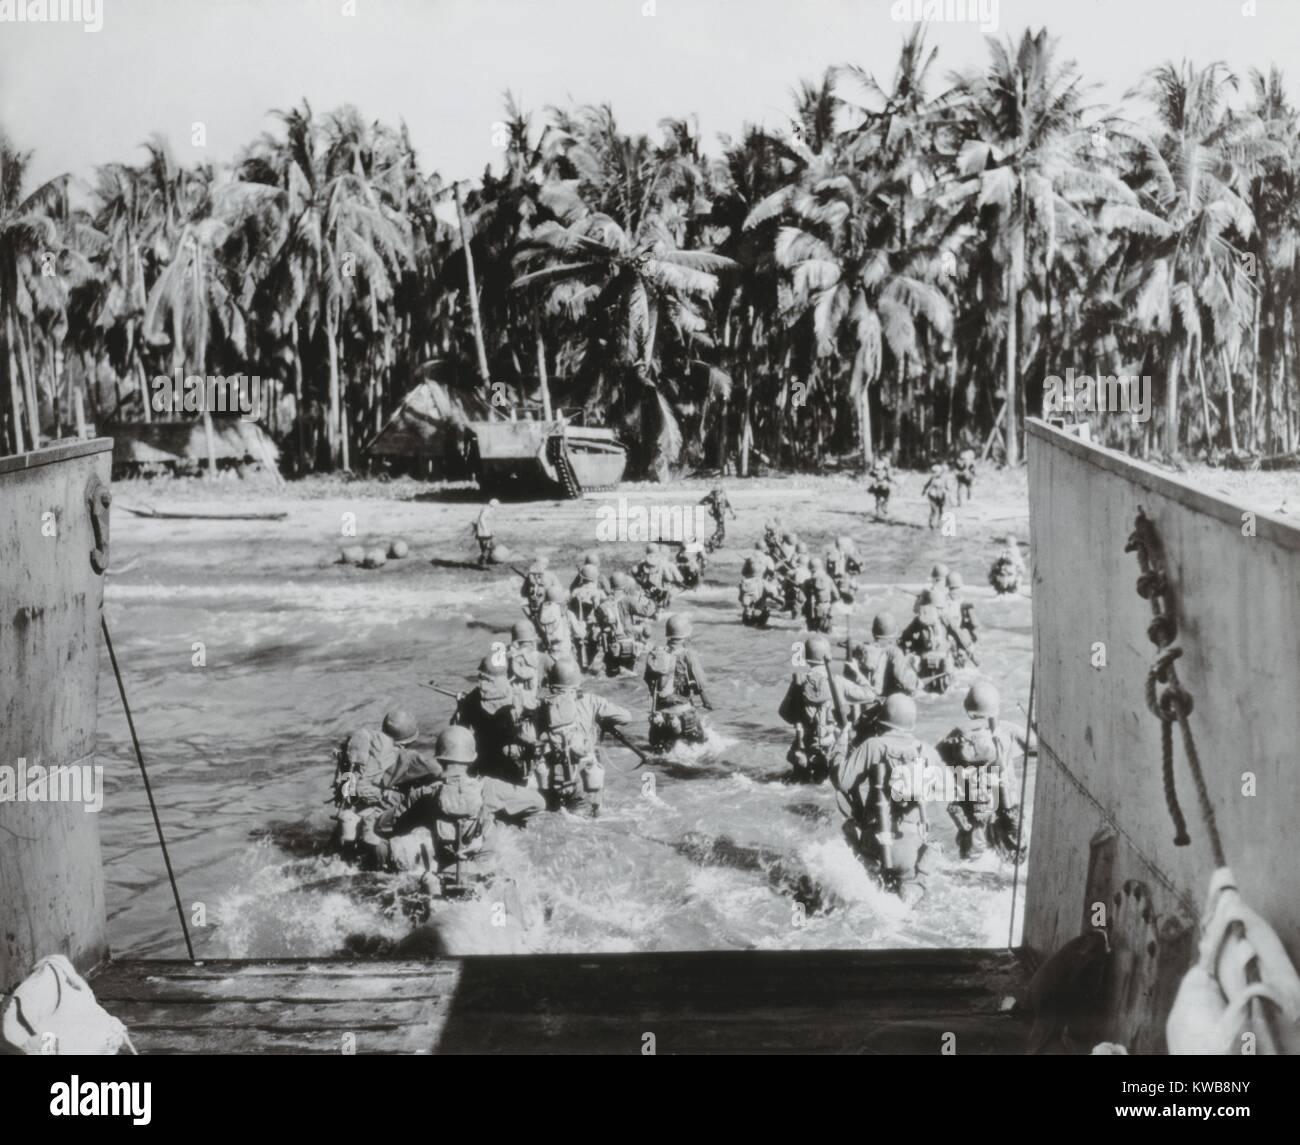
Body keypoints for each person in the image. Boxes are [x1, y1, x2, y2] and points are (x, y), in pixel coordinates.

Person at [830, 693, 934, 905]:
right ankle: (911, 891)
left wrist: (840, 746)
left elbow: (842, 782)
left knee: (849, 829)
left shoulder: (874, 745)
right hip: (911, 848)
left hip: (876, 844)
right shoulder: (923, 750)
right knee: (908, 901)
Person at [332, 709, 441, 869]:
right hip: (377, 814)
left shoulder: (366, 745)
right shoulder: (408, 757)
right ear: (407, 741)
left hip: (351, 807)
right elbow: (438, 770)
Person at [935, 682, 1026, 861]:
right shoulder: (1007, 729)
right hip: (1006, 805)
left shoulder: (956, 734)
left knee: (973, 861)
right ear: (995, 708)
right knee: (1014, 856)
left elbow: (935, 758)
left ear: (968, 709)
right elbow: (1036, 745)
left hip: (972, 811)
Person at [535, 657, 633, 816]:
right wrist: (602, 719)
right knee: (586, 823)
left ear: (552, 683)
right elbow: (626, 717)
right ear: (578, 682)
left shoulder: (541, 706)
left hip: (551, 778)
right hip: (584, 777)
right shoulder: (590, 701)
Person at [777, 635, 872, 783]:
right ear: (828, 656)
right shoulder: (838, 682)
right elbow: (870, 695)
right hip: (833, 747)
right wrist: (857, 672)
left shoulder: (799, 682)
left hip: (805, 748)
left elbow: (785, 714)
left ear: (806, 657)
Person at [643, 615, 712, 750]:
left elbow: (648, 679)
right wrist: (707, 702)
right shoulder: (688, 654)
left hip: (660, 715)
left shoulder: (657, 653)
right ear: (686, 636)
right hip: (683, 714)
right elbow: (700, 684)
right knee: (702, 747)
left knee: (660, 751)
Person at [845, 611, 919, 698]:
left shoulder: (860, 649)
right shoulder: (894, 652)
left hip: (863, 696)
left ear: (873, 631)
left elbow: (848, 675)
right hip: (883, 701)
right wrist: (914, 668)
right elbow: (907, 682)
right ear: (895, 632)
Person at [593, 574, 649, 676]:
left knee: (611, 673)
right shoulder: (629, 600)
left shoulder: (604, 604)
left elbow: (599, 623)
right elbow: (646, 611)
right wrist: (650, 600)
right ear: (625, 585)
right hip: (630, 644)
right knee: (630, 674)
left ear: (610, 585)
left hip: (612, 645)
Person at [899, 592, 952, 693]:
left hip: (925, 661)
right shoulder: (946, 619)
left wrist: (911, 648)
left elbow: (905, 637)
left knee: (925, 690)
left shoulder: (919, 620)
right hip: (943, 660)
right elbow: (959, 635)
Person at [568, 563, 607, 668]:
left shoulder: (576, 592)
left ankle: (582, 662)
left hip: (579, 625)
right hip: (594, 625)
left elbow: (569, 607)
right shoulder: (599, 593)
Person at [507, 619, 550, 705]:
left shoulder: (508, 657)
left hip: (514, 701)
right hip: (535, 702)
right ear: (533, 641)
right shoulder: (544, 658)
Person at [943, 571, 979, 665]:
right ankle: (969, 653)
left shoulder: (945, 600)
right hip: (953, 631)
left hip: (954, 632)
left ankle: (966, 654)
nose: (955, 592)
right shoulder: (960, 601)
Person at [801, 555, 840, 634]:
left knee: (812, 638)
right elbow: (837, 596)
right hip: (825, 610)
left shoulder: (807, 582)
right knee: (826, 636)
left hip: (810, 611)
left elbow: (803, 597)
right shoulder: (828, 579)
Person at [738, 556, 782, 627]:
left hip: (747, 613)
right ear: (762, 571)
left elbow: (740, 598)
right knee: (761, 625)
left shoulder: (743, 583)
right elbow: (774, 594)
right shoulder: (763, 582)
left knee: (748, 627)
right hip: (760, 612)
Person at [520, 555, 559, 622]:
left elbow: (523, 593)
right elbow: (558, 591)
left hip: (533, 605)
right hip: (546, 606)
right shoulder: (550, 575)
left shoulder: (529, 576)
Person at [700, 485, 737, 551]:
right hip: (719, 516)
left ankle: (719, 543)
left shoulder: (715, 498)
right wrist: (733, 514)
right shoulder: (721, 498)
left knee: (721, 530)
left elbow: (705, 500)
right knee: (720, 530)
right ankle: (712, 540)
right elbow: (728, 506)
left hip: (718, 515)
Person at [922, 463, 953, 530]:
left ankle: (939, 524)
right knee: (934, 510)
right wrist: (924, 491)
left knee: (941, 510)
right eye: (933, 472)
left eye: (936, 472)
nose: (934, 473)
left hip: (941, 496)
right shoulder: (932, 478)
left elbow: (948, 487)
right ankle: (931, 524)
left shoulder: (945, 478)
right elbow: (926, 484)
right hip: (932, 495)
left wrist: (949, 495)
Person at [472, 499, 500, 566]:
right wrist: (485, 529)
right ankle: (483, 560)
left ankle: (486, 559)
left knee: (486, 546)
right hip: (484, 532)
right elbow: (482, 519)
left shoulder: (488, 510)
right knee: (488, 546)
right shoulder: (487, 510)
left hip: (484, 531)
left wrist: (491, 530)